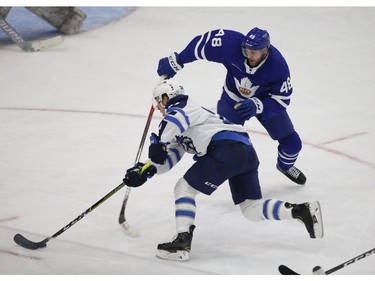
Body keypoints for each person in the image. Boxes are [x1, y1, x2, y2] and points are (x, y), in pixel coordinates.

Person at [123, 80, 323, 261]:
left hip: (225, 148)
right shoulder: (177, 128)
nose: (158, 108)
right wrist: (146, 170)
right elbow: (168, 158)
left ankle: (182, 241)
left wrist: (158, 142)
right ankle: (300, 211)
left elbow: (174, 121)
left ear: (166, 97)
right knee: (251, 208)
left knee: (184, 189)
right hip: (244, 153)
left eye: (159, 103)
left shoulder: (183, 105)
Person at [156, 27, 307, 185]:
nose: (249, 55)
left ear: (265, 50)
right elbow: (203, 44)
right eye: (247, 50)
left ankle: (285, 166)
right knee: (228, 149)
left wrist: (258, 105)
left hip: (264, 102)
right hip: (232, 101)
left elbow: (282, 99)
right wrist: (178, 60)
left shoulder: (278, 66)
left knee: (292, 143)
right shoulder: (231, 44)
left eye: (254, 52)